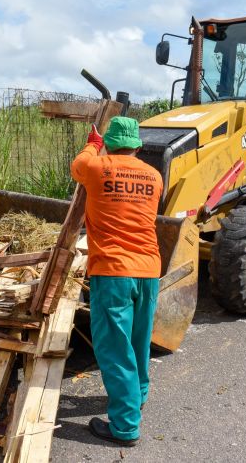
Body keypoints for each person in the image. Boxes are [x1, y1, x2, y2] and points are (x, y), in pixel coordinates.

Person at [71, 116, 163, 447]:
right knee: (139, 342)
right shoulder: (154, 176)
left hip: (113, 271)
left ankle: (124, 427)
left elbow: (79, 165)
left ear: (109, 143)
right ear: (138, 145)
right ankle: (136, 398)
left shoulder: (97, 168)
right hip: (149, 270)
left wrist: (93, 144)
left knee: (115, 348)